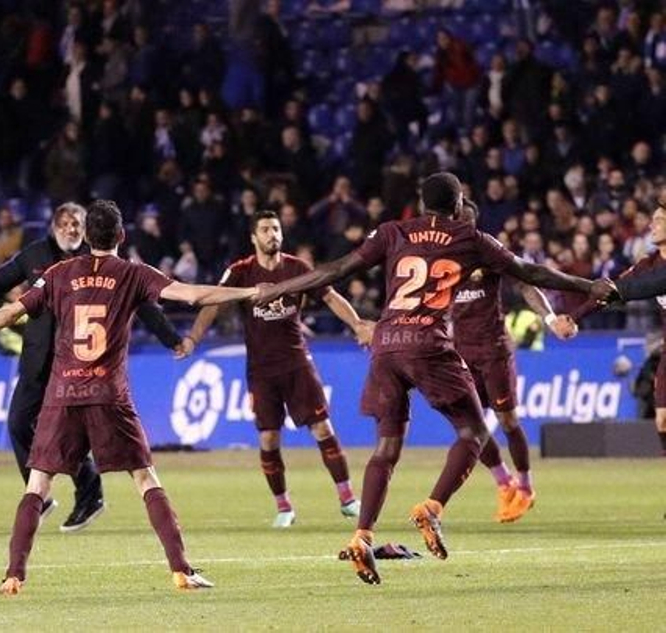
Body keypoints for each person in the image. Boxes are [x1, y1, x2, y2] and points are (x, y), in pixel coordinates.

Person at [256, 172, 601, 585]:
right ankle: (433, 508)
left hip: (386, 344)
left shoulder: (393, 231)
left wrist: (281, 288)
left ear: (422, 205)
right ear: (458, 206)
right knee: (473, 433)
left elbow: (339, 269)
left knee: (385, 448)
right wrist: (590, 286)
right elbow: (532, 273)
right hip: (428, 343)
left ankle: (363, 534)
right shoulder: (470, 238)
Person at [0, 200, 253, 595]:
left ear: (87, 237)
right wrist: (248, 290)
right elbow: (193, 296)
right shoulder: (133, 273)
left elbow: (8, 314)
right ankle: (181, 570)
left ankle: (13, 576)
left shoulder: (57, 273)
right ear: (122, 236)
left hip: (62, 393)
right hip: (110, 394)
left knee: (37, 485)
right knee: (144, 478)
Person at [0, 203, 185, 532]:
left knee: (76, 438)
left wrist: (171, 338)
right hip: (38, 361)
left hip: (80, 367)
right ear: (54, 227)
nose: (71, 228)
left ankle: (86, 495)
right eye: (65, 223)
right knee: (18, 425)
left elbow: (142, 302)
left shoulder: (98, 260)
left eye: (77, 223)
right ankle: (50, 495)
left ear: (86, 229)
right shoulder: (35, 255)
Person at [184, 209, 372, 528]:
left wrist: (357, 325)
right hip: (261, 371)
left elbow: (330, 296)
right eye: (266, 230)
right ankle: (284, 507)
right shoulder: (240, 271)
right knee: (269, 439)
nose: (273, 235)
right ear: (253, 237)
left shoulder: (298, 268)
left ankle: (347, 499)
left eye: (276, 229)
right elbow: (212, 303)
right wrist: (192, 338)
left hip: (297, 362)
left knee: (323, 429)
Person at [452, 200, 574, 524]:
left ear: (473, 224)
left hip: (493, 349)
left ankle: (526, 486)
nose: (458, 228)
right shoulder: (440, 258)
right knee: (470, 425)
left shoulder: (488, 250)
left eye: (463, 222)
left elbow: (526, 283)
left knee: (507, 421)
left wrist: (549, 319)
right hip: (460, 351)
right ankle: (504, 482)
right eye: (454, 221)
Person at [564, 202, 666, 466]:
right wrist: (575, 317)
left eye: (659, 220)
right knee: (663, 420)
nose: (652, 225)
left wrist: (623, 291)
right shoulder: (648, 263)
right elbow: (612, 290)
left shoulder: (654, 273)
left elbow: (649, 285)